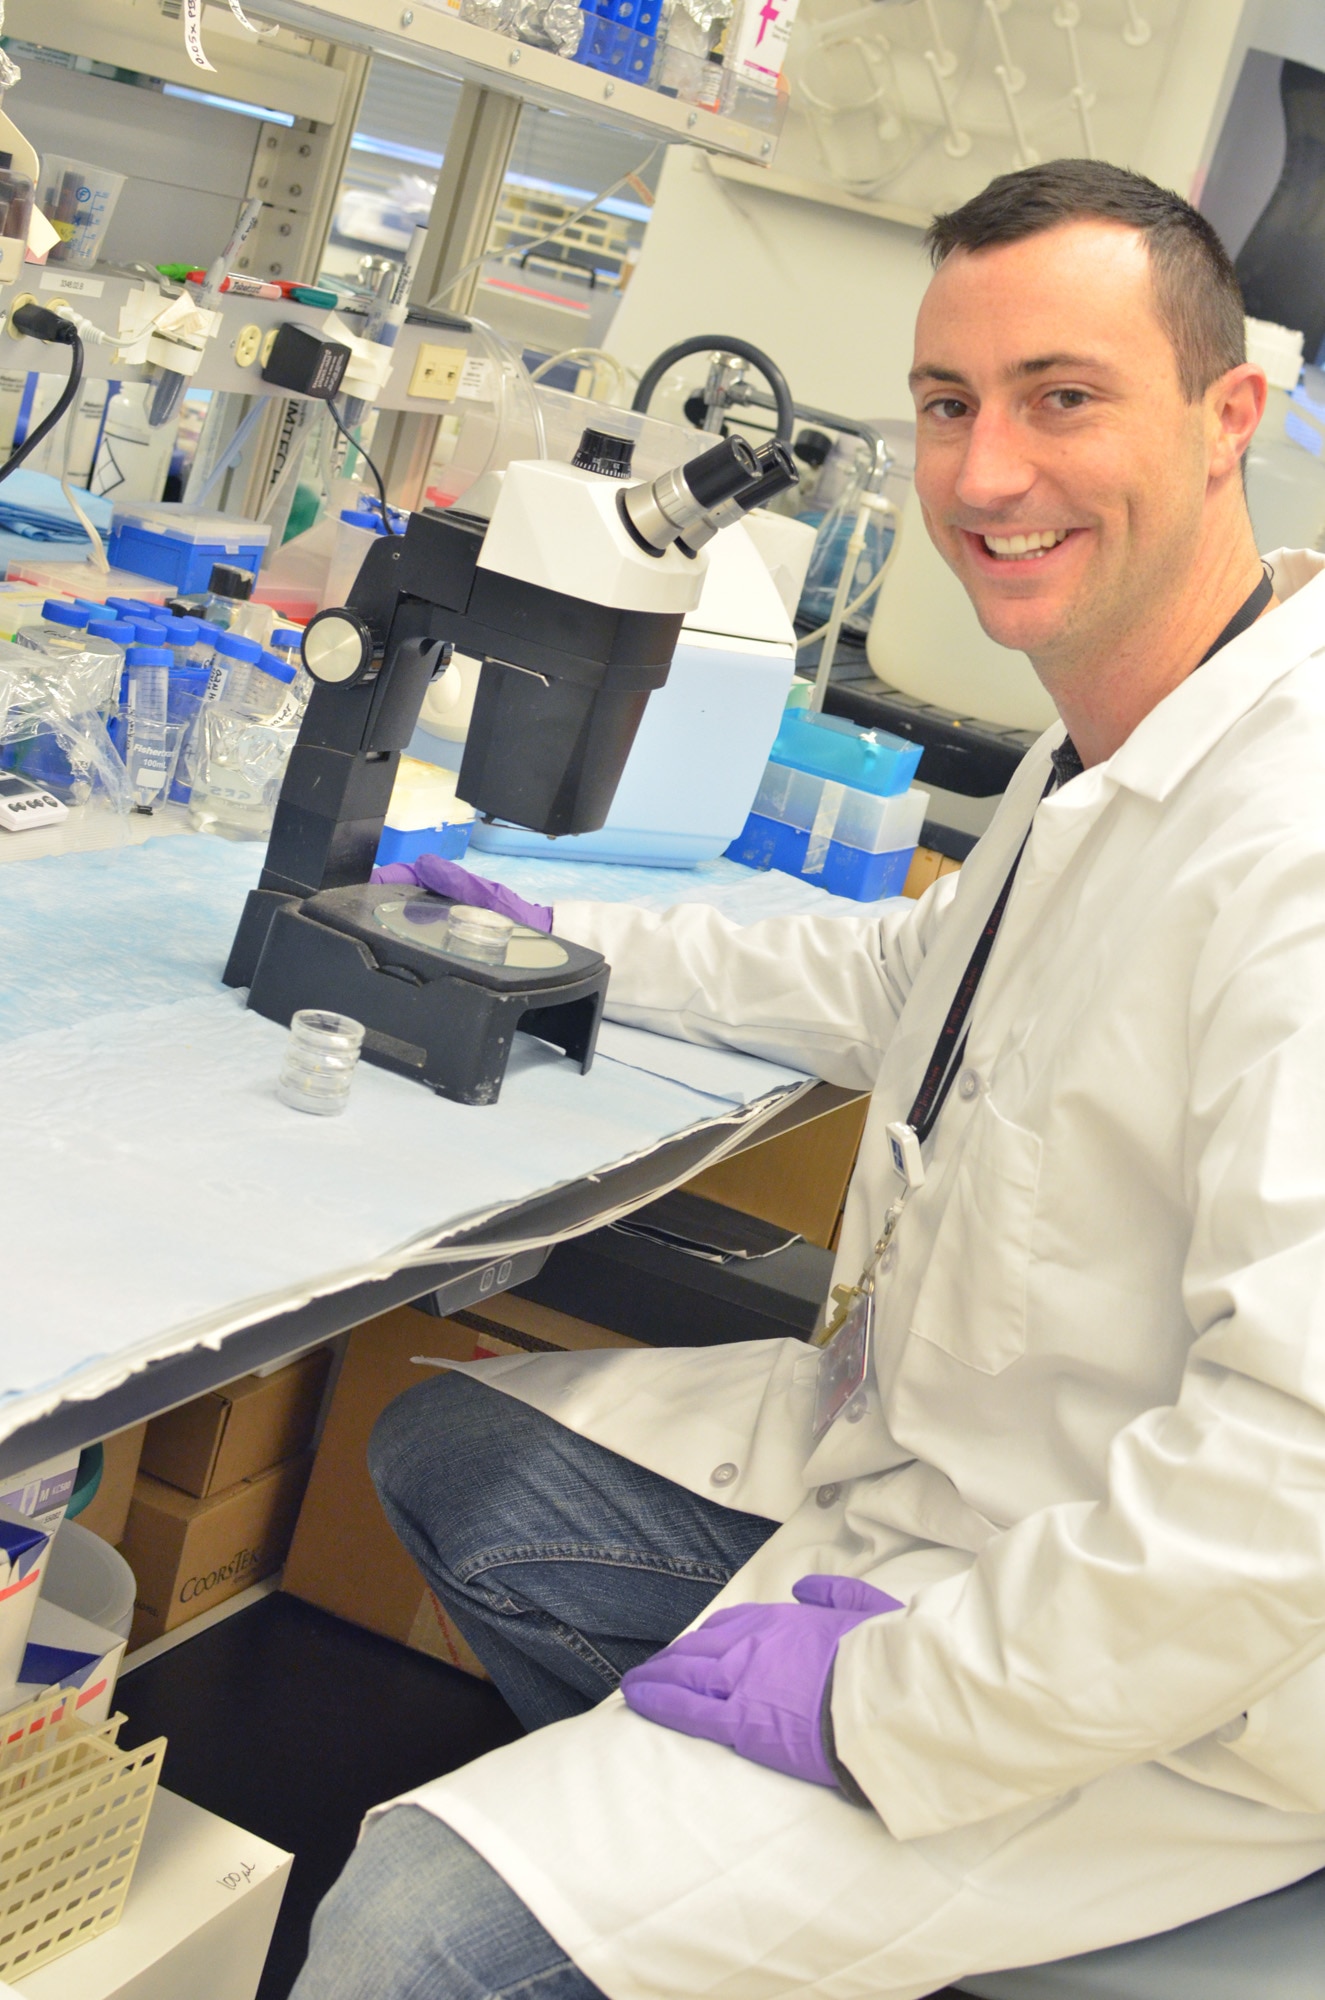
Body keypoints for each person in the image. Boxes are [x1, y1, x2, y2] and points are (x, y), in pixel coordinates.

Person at [293, 159, 1325, 2000]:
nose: (985, 475)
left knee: (402, 1938)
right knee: (457, 1454)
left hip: (1154, 1665)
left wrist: (886, 1704)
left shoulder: (1296, 845)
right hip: (938, 1477)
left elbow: (1294, 1481)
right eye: (948, 407)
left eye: (1061, 398)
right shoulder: (1129, 732)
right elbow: (898, 977)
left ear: (1228, 413)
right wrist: (552, 930)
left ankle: (700, 1877)